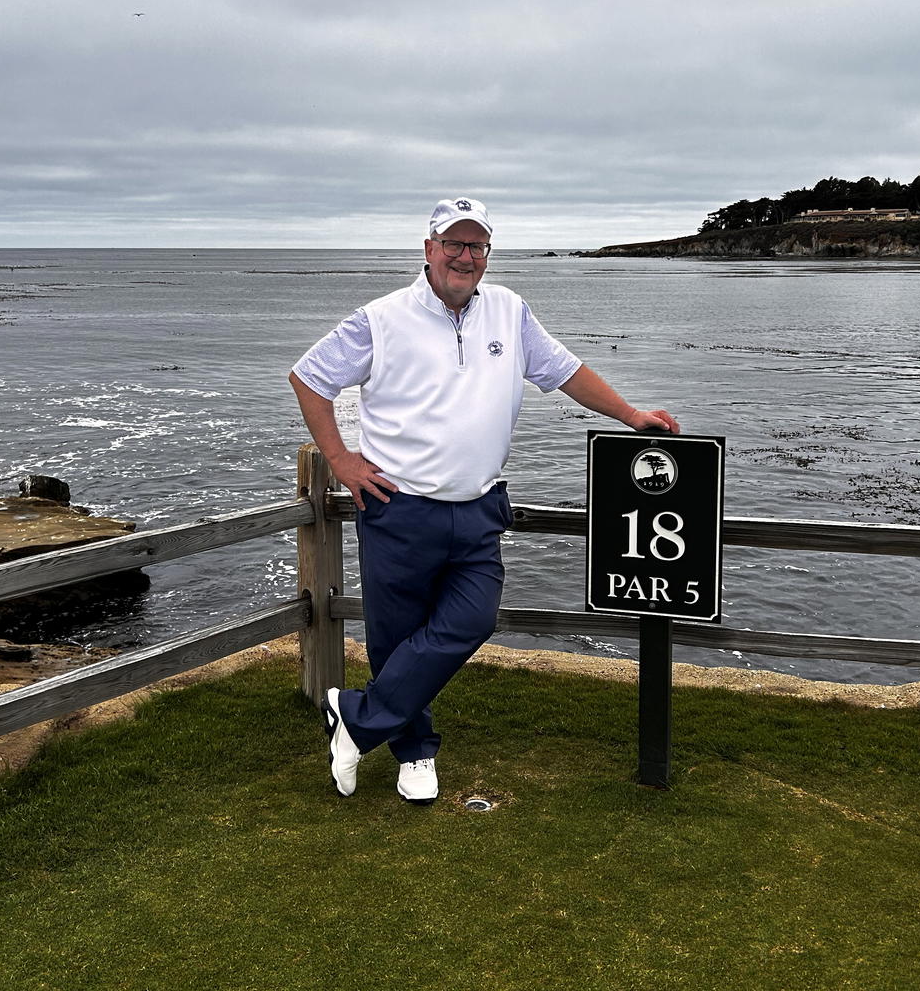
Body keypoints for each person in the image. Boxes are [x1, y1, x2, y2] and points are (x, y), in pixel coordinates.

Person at [289, 196, 679, 804]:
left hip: (478, 507)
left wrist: (630, 415)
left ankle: (357, 719)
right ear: (429, 249)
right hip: (399, 506)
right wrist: (340, 460)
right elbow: (310, 377)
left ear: (487, 254)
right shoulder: (382, 319)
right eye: (453, 243)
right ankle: (414, 752)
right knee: (397, 638)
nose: (465, 256)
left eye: (476, 246)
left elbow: (565, 371)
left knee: (473, 619)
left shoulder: (510, 311)